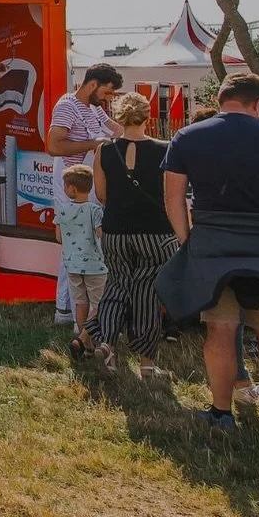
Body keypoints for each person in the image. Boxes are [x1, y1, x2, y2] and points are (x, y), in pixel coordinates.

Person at [159, 72, 259, 433]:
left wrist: (188, 242)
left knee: (220, 330)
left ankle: (222, 413)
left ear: (220, 101)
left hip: (213, 245)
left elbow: (173, 197)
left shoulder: (188, 136)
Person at [82, 93, 175, 378]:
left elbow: (100, 195)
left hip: (116, 230)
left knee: (116, 286)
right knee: (148, 293)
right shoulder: (166, 149)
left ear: (118, 118)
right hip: (156, 232)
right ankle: (146, 363)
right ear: (149, 117)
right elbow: (171, 194)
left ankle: (108, 343)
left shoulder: (104, 151)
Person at [46, 63, 123, 325]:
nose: (109, 98)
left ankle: (85, 308)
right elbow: (53, 145)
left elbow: (116, 130)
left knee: (89, 244)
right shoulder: (66, 105)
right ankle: (64, 308)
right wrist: (94, 144)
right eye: (108, 92)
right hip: (72, 185)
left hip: (89, 185)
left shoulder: (94, 108)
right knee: (74, 243)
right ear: (93, 85)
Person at [54, 164, 105, 359]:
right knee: (99, 304)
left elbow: (58, 237)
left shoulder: (62, 210)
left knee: (80, 303)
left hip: (72, 264)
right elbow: (100, 234)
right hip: (95, 265)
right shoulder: (95, 210)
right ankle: (85, 339)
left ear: (71, 189)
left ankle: (84, 340)